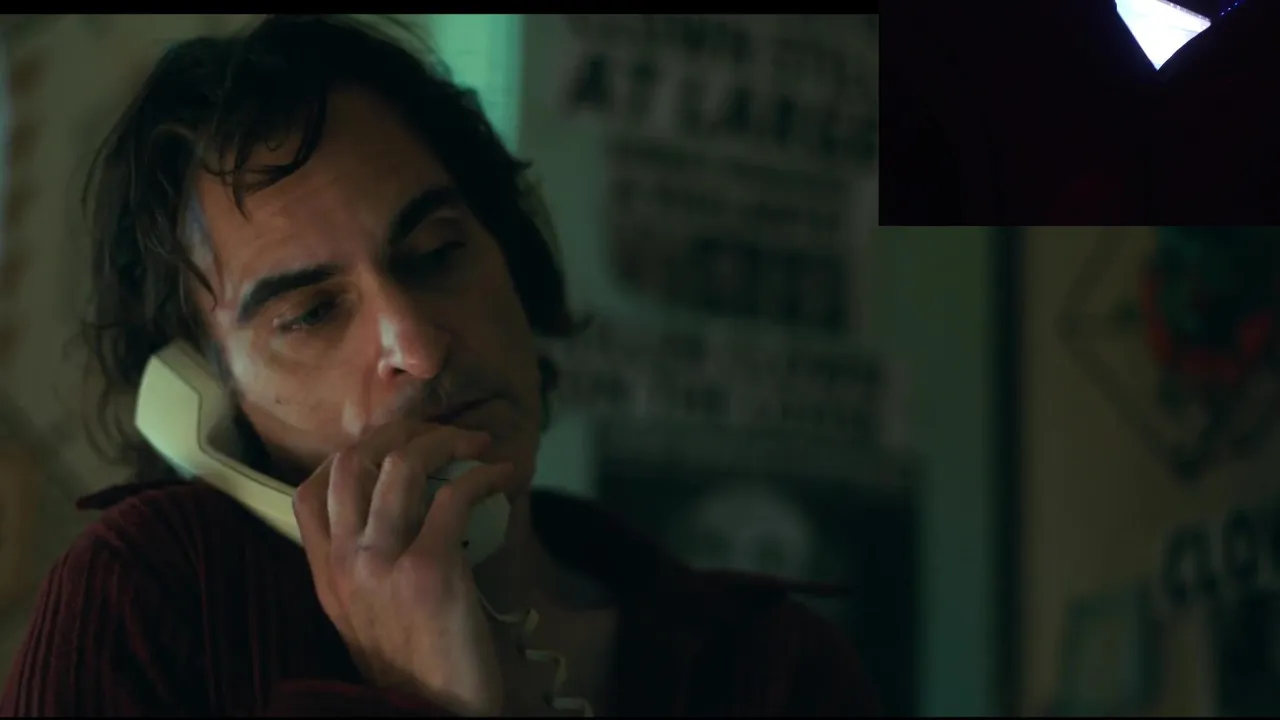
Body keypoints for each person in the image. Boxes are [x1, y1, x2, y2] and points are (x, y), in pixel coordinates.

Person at [1, 15, 879, 717]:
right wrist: (415, 697)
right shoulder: (147, 600)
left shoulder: (772, 666)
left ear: (509, 255)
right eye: (311, 314)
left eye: (437, 253)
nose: (418, 346)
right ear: (207, 397)